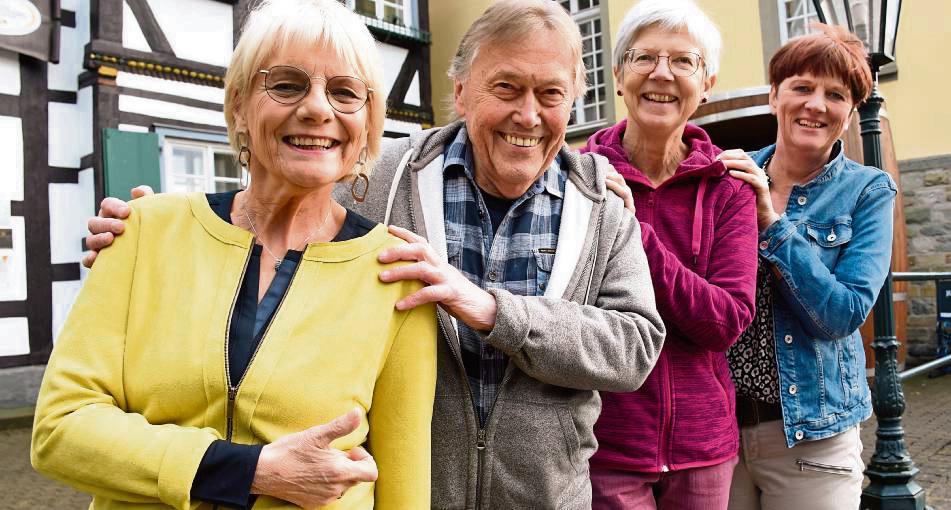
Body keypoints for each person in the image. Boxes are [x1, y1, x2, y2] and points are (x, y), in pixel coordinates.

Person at [82, 0, 668, 507]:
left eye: (550, 95)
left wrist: (495, 312)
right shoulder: (381, 175)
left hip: (546, 497)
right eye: (506, 88)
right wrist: (156, 236)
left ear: (572, 105)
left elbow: (636, 346)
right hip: (399, 489)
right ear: (461, 92)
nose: (528, 114)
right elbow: (277, 193)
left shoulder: (603, 205)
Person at [31, 1, 437, 508]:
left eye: (344, 92)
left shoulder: (397, 273)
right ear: (240, 107)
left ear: (368, 124)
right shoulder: (142, 232)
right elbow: (59, 430)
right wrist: (253, 472)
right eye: (286, 85)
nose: (317, 108)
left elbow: (405, 492)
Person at [580, 1, 758, 508]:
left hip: (702, 447)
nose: (662, 73)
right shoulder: (579, 177)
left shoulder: (728, 190)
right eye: (644, 58)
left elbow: (725, 322)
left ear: (707, 84)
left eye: (684, 61)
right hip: (604, 444)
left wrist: (633, 229)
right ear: (618, 75)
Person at [719, 24, 897, 510]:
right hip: (718, 432)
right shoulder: (725, 176)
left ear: (850, 111)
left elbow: (842, 314)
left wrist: (772, 225)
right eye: (802, 87)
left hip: (813, 437)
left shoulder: (868, 191)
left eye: (835, 94)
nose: (816, 104)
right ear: (775, 95)